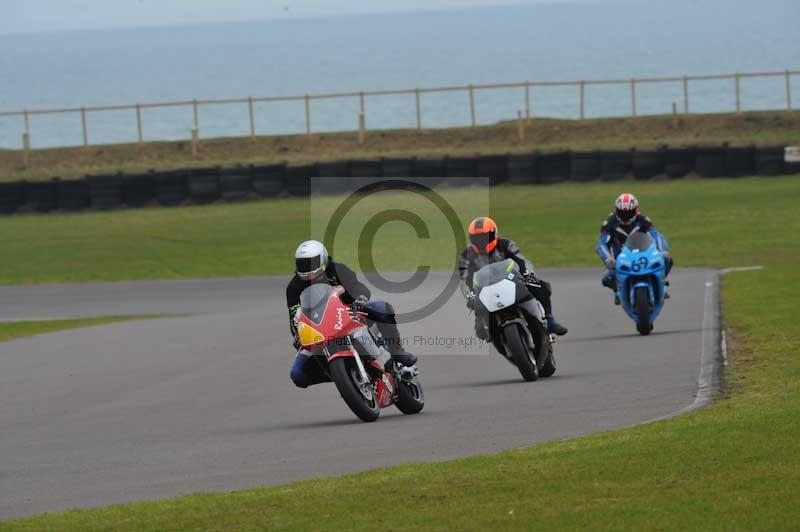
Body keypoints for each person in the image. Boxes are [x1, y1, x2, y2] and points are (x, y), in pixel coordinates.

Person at [286, 240, 417, 388]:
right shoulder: (294, 287)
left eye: (310, 263)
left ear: (322, 259)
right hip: (318, 329)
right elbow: (293, 316)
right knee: (298, 374)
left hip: (350, 311)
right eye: (302, 264)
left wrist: (360, 299)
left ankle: (397, 351)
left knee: (382, 308)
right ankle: (342, 374)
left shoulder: (337, 269)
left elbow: (358, 287)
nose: (307, 268)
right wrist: (297, 334)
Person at [457, 216, 568, 339]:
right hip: (485, 289)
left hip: (512, 280)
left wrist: (528, 275)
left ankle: (550, 320)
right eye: (477, 238)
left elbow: (522, 261)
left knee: (541, 286)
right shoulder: (466, 255)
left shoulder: (505, 244)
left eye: (485, 236)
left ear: (494, 233)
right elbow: (464, 279)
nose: (482, 241)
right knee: (477, 313)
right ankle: (482, 326)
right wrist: (470, 294)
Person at [596, 193, 672, 304]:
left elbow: (656, 235)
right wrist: (608, 259)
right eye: (622, 213)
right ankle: (618, 290)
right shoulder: (609, 223)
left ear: (636, 210)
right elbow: (602, 244)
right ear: (616, 210)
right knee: (606, 279)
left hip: (644, 253)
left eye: (629, 213)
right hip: (620, 258)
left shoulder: (643, 220)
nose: (625, 216)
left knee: (667, 261)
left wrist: (663, 251)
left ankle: (660, 283)